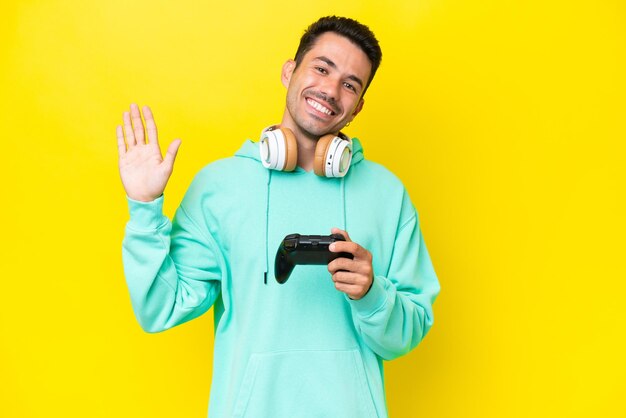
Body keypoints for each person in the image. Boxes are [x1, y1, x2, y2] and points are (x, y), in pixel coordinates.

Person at [116, 16, 440, 418]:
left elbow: (406, 336)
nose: (331, 90)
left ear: (358, 106)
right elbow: (159, 308)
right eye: (322, 68)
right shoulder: (218, 187)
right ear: (290, 71)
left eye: (350, 84)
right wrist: (145, 207)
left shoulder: (387, 194)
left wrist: (371, 292)